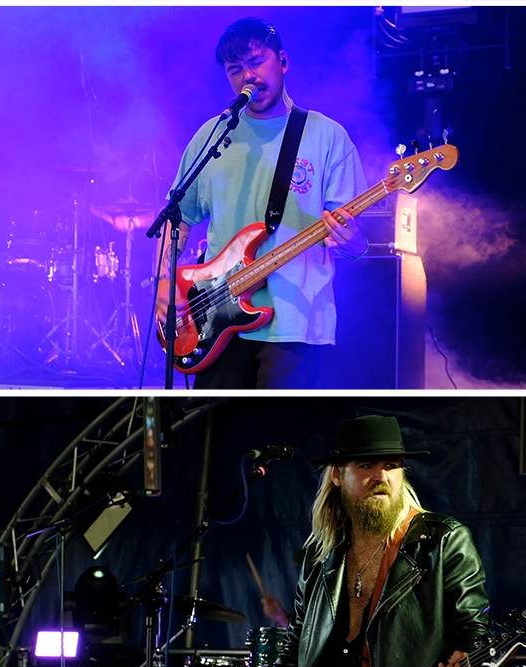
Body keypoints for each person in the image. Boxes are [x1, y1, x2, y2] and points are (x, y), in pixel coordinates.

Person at [238, 414, 490, 667]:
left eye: (391, 465)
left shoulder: (441, 540)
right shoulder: (321, 554)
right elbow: (293, 649)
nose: (381, 477)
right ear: (338, 475)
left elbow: (473, 627)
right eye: (367, 465)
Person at [156, 17, 369, 389]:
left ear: (282, 61)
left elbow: (354, 240)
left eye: (257, 62)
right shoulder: (213, 135)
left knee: (278, 438)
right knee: (214, 435)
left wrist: (354, 241)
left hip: (294, 322)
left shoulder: (326, 135)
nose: (247, 76)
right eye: (234, 69)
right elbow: (178, 217)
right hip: (215, 316)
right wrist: (164, 280)